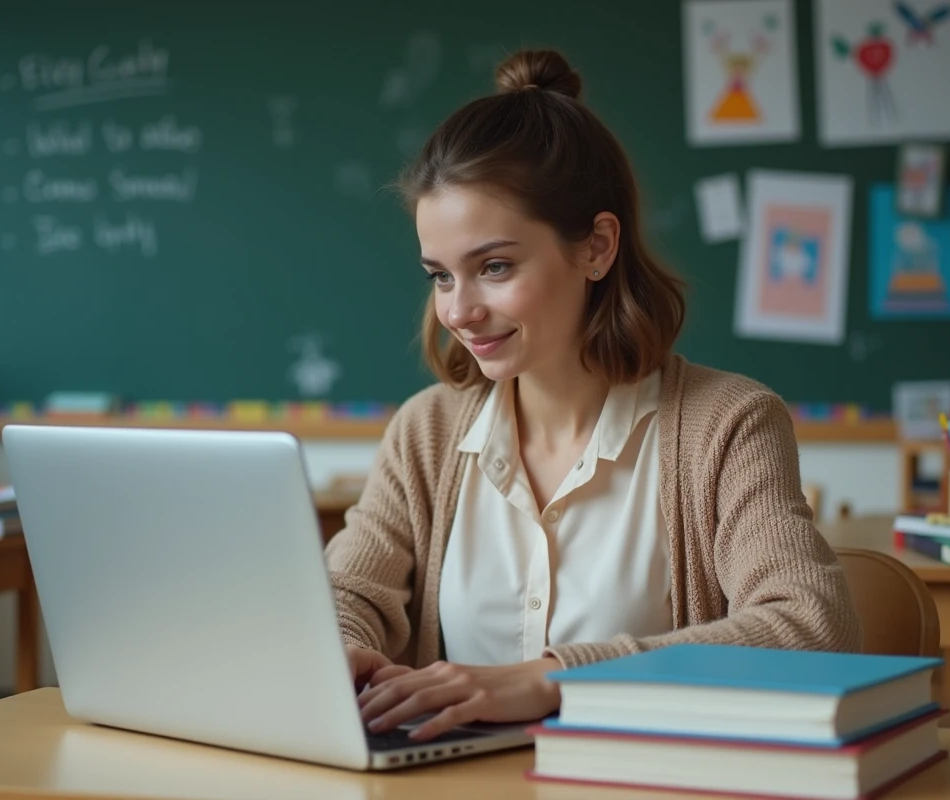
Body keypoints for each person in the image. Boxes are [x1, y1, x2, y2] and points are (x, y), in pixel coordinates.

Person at [325, 49, 861, 743]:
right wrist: (338, 647)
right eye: (441, 276)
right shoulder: (425, 431)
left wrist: (553, 678)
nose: (458, 311)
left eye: (493, 266)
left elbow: (814, 628)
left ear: (597, 248)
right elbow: (350, 592)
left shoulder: (729, 424)